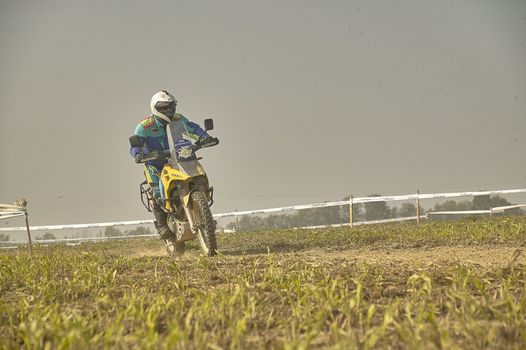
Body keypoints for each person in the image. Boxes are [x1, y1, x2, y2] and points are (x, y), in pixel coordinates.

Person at [130, 90, 213, 239]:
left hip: (180, 158)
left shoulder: (179, 119)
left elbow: (192, 128)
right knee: (155, 190)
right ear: (155, 108)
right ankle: (161, 225)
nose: (168, 110)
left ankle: (204, 213)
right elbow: (136, 144)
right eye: (164, 107)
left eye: (170, 106)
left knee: (199, 176)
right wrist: (138, 154)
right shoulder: (144, 126)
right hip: (156, 164)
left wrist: (205, 137)